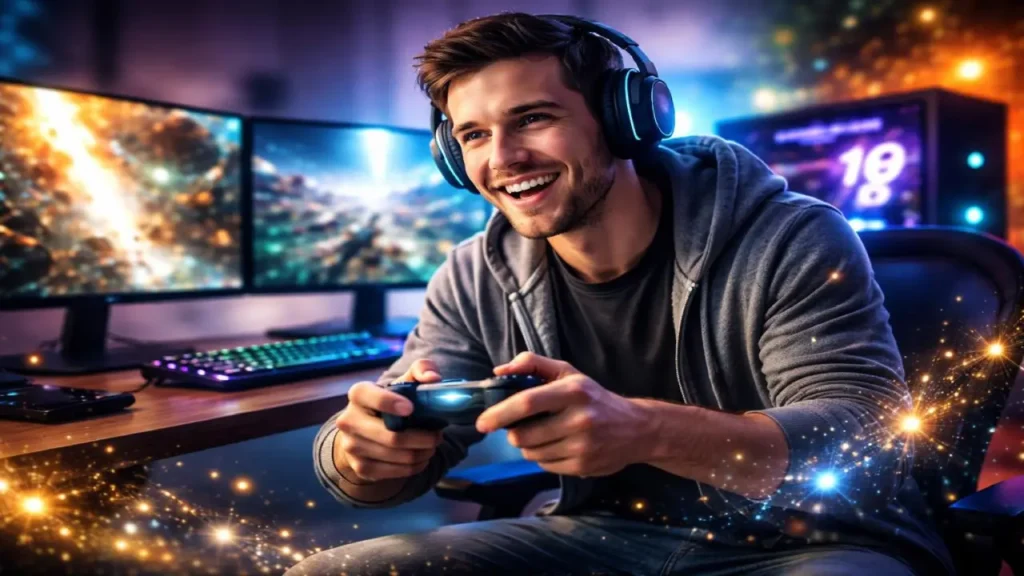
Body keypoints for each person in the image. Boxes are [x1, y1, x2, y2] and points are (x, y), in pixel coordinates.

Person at [289, 12, 953, 576]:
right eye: (474, 135)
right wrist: (360, 455)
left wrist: (643, 430)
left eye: (533, 119)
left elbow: (869, 448)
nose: (504, 157)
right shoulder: (473, 273)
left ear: (624, 118)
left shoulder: (790, 235)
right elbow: (384, 436)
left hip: (817, 541)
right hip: (604, 536)